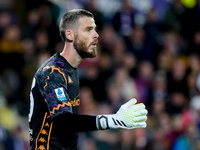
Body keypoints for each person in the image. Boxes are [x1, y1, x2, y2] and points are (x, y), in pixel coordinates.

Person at [28, 9, 148, 150]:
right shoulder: (53, 72)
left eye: (95, 30)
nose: (96, 35)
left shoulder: (70, 71)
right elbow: (64, 120)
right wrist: (113, 120)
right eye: (88, 30)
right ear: (70, 35)